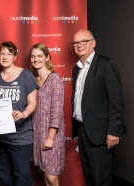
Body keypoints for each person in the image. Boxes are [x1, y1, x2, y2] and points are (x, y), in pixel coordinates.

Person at [71, 29, 125, 186]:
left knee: (101, 180)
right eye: (76, 42)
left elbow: (116, 100)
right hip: (82, 130)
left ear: (93, 43)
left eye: (84, 41)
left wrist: (114, 131)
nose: (79, 45)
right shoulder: (76, 69)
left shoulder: (106, 64)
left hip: (101, 132)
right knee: (89, 177)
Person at [0, 41, 38, 186]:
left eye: (9, 54)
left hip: (20, 138)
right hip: (0, 139)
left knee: (22, 177)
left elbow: (33, 103)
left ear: (15, 56)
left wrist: (23, 114)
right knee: (3, 177)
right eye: (2, 53)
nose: (5, 57)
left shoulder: (26, 75)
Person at [30, 43, 65, 186]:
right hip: (37, 134)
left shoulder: (54, 79)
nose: (36, 59)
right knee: (46, 174)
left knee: (51, 176)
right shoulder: (33, 79)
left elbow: (57, 111)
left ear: (47, 58)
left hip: (52, 135)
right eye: (33, 56)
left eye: (39, 56)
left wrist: (50, 137)